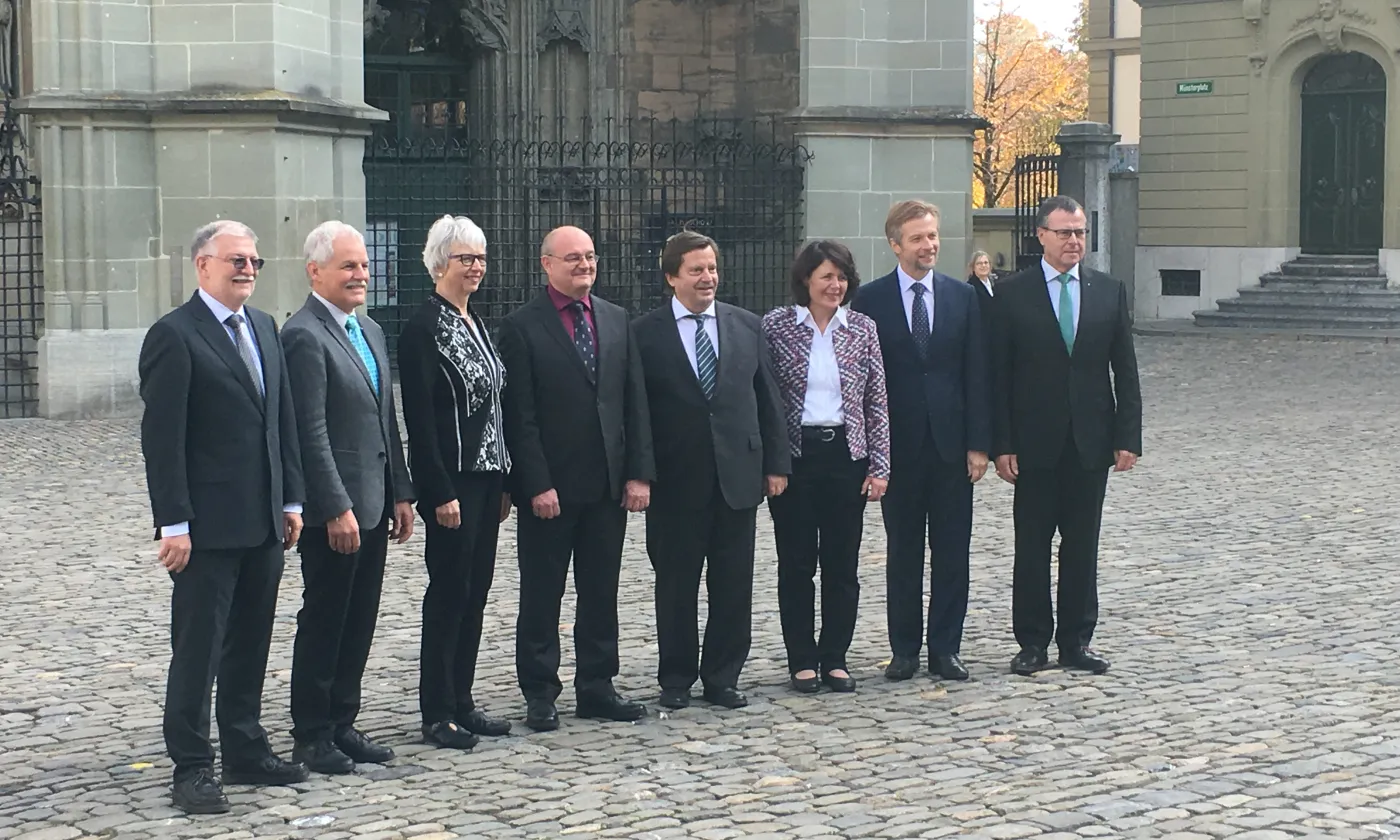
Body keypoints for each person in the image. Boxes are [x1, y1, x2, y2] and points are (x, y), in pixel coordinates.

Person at [138, 220, 308, 814]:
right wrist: (174, 523)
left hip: (263, 519)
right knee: (199, 649)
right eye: (236, 260)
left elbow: (280, 420)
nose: (248, 270)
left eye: (255, 262)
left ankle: (245, 746)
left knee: (250, 642)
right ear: (202, 264)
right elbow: (163, 440)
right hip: (206, 528)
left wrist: (291, 500)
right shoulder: (174, 336)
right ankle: (191, 766)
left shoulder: (264, 327)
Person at [498, 225, 655, 731]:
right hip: (551, 490)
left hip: (608, 486)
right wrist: (535, 484)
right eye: (572, 258)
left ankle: (597, 685)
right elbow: (519, 416)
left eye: (589, 257)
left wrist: (638, 475)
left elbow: (634, 404)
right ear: (547, 264)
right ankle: (540, 691)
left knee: (600, 590)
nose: (584, 265)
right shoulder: (522, 326)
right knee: (542, 593)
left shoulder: (615, 319)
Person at [633, 230, 789, 711]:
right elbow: (636, 411)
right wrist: (640, 473)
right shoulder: (643, 333)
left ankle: (723, 676)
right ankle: (676, 678)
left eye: (712, 268)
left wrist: (776, 463)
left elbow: (768, 399)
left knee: (733, 583)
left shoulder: (746, 325)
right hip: (676, 481)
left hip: (737, 476)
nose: (707, 278)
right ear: (671, 277)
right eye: (696, 270)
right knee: (675, 585)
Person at [282, 221, 415, 774]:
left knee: (360, 617)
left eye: (363, 265)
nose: (361, 274)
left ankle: (343, 720)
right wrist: (334, 507)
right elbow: (309, 431)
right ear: (315, 272)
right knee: (327, 618)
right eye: (348, 266)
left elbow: (386, 420)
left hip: (375, 501)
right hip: (334, 512)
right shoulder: (303, 335)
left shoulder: (372, 331)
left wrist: (401, 494)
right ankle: (312, 733)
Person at [991, 195, 1142, 677]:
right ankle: (1032, 642)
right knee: (1031, 549)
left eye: (1079, 232)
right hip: (1033, 444)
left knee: (1082, 547)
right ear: (1041, 236)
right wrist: (1002, 443)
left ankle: (1077, 641)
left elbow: (1126, 369)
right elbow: (1000, 376)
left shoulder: (1108, 290)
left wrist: (1128, 436)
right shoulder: (1012, 293)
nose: (1074, 240)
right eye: (1064, 232)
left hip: (1090, 442)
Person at [852, 200, 991, 683]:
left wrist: (979, 444)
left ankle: (946, 649)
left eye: (933, 236)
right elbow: (865, 381)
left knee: (953, 552)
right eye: (917, 238)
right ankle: (905, 649)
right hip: (898, 447)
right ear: (895, 244)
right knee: (903, 552)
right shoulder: (870, 300)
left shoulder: (963, 297)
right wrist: (873, 452)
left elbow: (978, 372)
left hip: (953, 447)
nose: (928, 246)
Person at [398, 215, 515, 748]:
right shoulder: (425, 327)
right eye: (466, 258)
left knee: (476, 592)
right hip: (453, 482)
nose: (475, 267)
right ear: (440, 261)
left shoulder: (476, 321)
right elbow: (421, 420)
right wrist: (438, 490)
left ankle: (462, 699)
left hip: (488, 478)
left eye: (481, 258)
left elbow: (494, 405)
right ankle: (436, 709)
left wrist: (505, 478)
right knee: (448, 592)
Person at [761, 239, 890, 694]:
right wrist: (771, 462)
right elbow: (767, 399)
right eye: (826, 277)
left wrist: (880, 466)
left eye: (841, 277)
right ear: (805, 281)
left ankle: (834, 656)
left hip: (845, 456)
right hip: (796, 457)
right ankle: (801, 659)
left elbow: (876, 400)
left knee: (842, 563)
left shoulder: (862, 328)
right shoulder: (777, 326)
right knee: (796, 563)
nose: (835, 285)